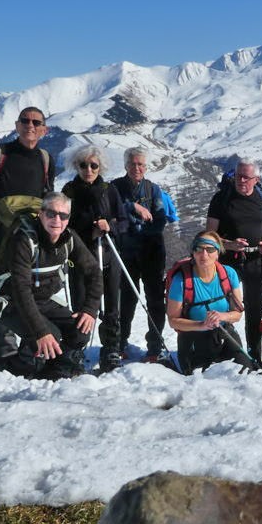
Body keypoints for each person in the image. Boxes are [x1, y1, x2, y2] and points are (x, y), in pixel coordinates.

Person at [0, 107, 57, 369]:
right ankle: (3, 357)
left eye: (36, 122)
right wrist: (3, 219)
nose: (30, 125)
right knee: (0, 294)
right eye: (25, 121)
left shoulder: (46, 160)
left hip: (30, 241)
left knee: (32, 292)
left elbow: (47, 200)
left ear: (44, 130)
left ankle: (29, 352)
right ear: (16, 125)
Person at [0, 192, 102, 379]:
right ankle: (19, 368)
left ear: (68, 218)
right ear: (41, 214)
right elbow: (21, 291)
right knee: (49, 335)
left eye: (63, 215)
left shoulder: (69, 238)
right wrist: (41, 332)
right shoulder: (24, 240)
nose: (57, 219)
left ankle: (54, 370)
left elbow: (94, 273)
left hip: (44, 300)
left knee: (80, 331)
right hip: (11, 303)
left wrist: (90, 309)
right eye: (51, 213)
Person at [205, 160, 262, 364]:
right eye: (238, 176)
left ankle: (254, 357)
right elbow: (209, 234)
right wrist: (229, 244)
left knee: (254, 311)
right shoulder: (222, 199)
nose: (241, 180)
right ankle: (224, 352)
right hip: (227, 262)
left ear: (256, 179)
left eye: (246, 177)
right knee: (223, 307)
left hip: (257, 261)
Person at [112, 146, 179, 362]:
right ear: (126, 165)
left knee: (155, 300)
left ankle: (154, 347)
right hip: (125, 252)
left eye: (140, 164)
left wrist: (139, 229)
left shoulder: (153, 189)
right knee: (126, 300)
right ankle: (119, 343)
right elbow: (110, 208)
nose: (137, 168)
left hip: (151, 251)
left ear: (146, 167)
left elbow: (160, 219)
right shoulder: (115, 187)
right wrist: (133, 207)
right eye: (132, 163)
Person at [61, 146, 124, 373]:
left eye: (93, 165)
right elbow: (64, 226)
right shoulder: (69, 192)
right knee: (81, 304)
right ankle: (78, 348)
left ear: (101, 167)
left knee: (111, 305)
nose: (88, 169)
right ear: (76, 166)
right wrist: (89, 233)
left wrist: (110, 226)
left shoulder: (110, 190)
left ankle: (111, 348)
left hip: (108, 254)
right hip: (80, 257)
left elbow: (123, 221)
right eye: (83, 165)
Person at [165, 230, 252, 375]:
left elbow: (237, 314)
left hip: (224, 332)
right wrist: (201, 325)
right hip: (193, 337)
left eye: (210, 249)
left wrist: (222, 316)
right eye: (199, 249)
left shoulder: (228, 274)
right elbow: (173, 321)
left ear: (218, 253)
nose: (204, 254)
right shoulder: (181, 280)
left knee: (245, 372)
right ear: (193, 252)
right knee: (203, 381)